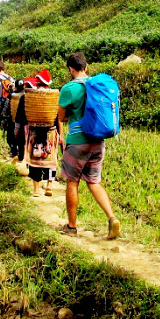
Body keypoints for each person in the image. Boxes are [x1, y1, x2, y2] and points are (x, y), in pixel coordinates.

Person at [57, 52, 120, 239]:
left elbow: (60, 117)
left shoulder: (69, 89)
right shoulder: (97, 86)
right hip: (98, 142)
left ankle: (71, 226)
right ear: (86, 67)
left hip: (78, 142)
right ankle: (112, 218)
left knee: (72, 182)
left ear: (70, 69)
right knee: (94, 182)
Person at [26, 70, 61, 197]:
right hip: (50, 132)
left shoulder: (31, 96)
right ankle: (49, 185)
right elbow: (58, 118)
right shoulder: (53, 96)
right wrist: (60, 134)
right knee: (51, 158)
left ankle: (36, 189)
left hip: (35, 131)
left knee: (35, 160)